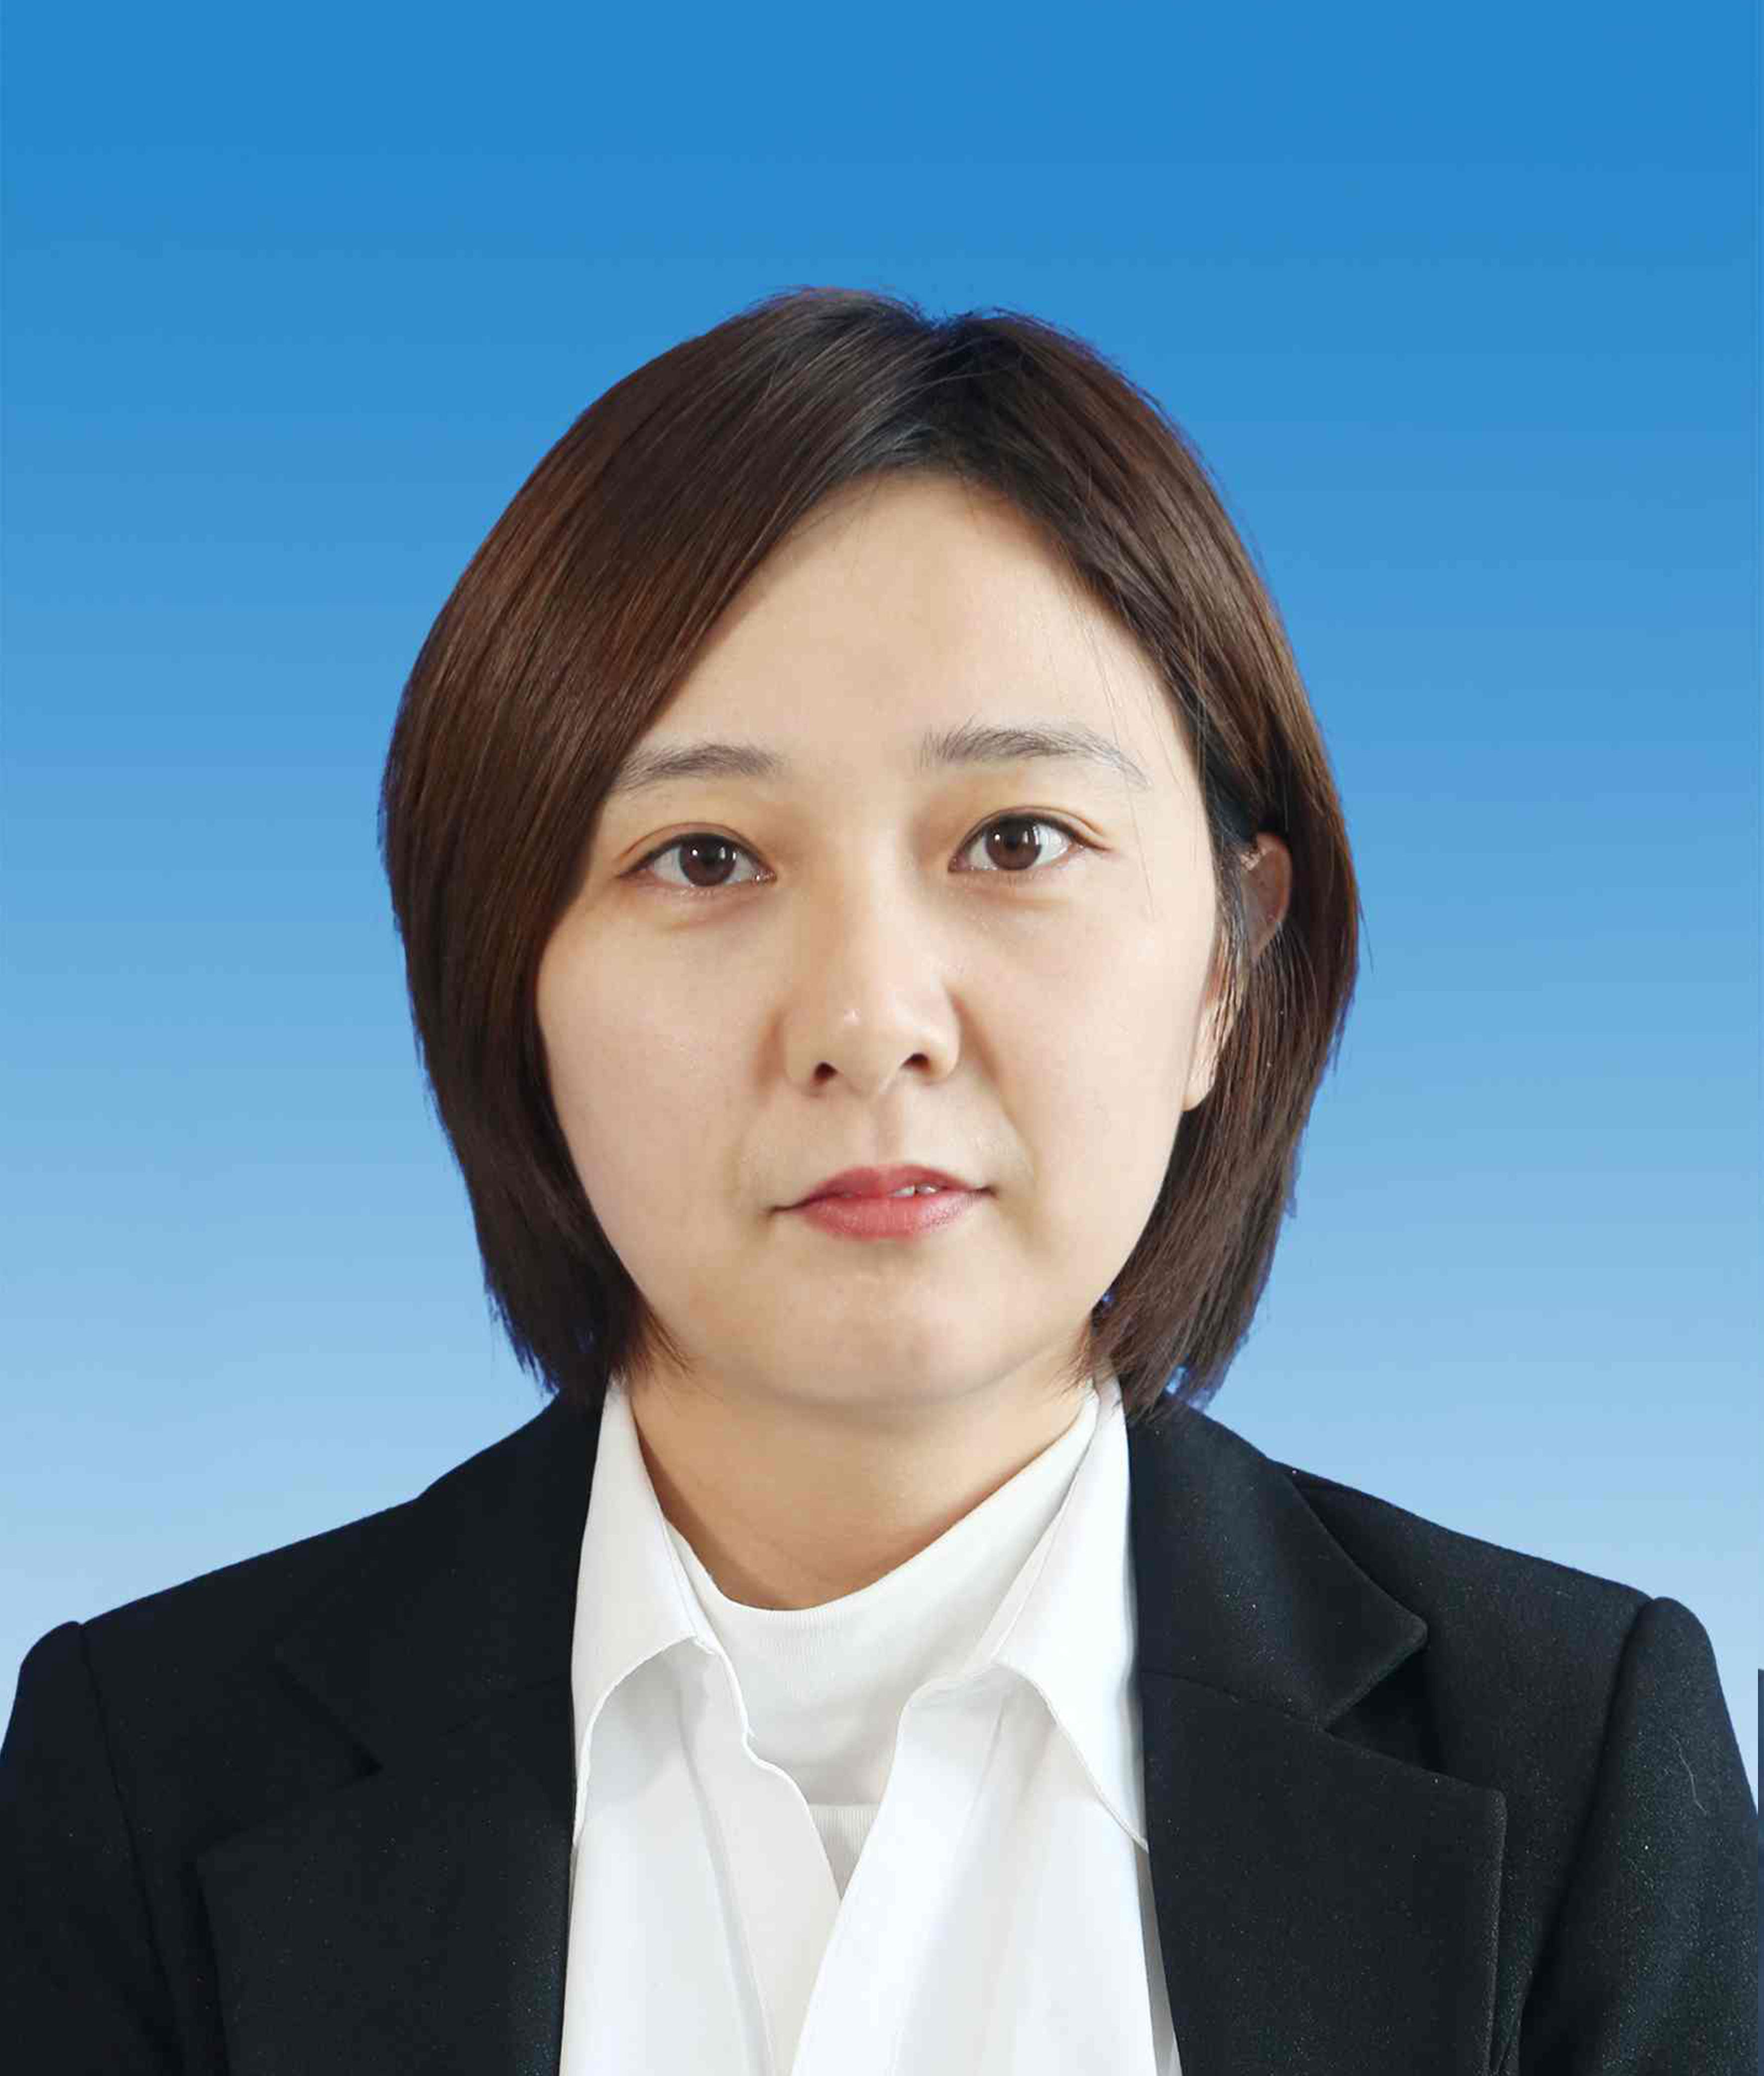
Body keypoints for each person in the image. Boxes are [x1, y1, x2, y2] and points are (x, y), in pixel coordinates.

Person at [1, 287, 1754, 2074]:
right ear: (506, 985)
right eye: (705, 857)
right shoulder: (144, 1785)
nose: (867, 1021)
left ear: (1231, 966)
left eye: (1016, 838)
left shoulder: (1572, 1772)